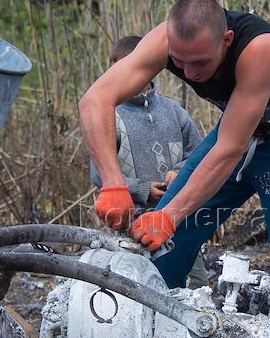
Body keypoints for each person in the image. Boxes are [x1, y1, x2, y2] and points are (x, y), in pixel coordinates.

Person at [80, 0, 270, 291]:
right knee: (165, 241)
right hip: (238, 130)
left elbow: (229, 149)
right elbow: (94, 100)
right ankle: (155, 321)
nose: (189, 74)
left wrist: (170, 215)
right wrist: (113, 184)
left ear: (226, 40)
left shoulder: (259, 48)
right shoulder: (163, 40)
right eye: (178, 62)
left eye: (200, 63)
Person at [88, 36, 206, 286]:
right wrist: (142, 190)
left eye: (141, 67)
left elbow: (199, 155)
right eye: (125, 68)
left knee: (196, 286)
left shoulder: (173, 112)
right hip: (131, 229)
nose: (135, 75)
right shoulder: (110, 118)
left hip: (178, 221)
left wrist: (179, 174)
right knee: (141, 288)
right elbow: (99, 174)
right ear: (112, 68)